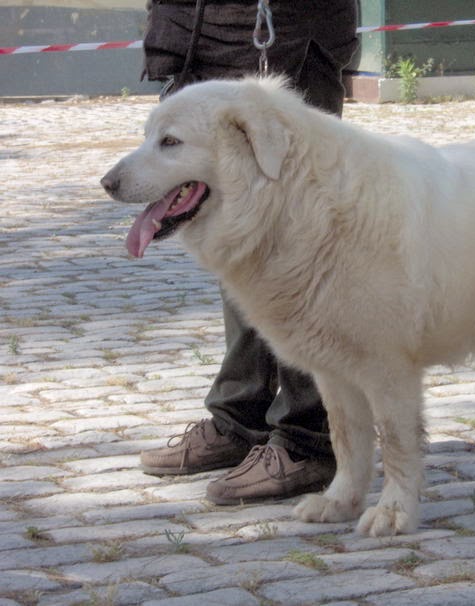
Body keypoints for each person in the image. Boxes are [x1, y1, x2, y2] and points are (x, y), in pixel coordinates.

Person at [138, 0, 359, 504]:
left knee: (296, 242)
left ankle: (309, 439)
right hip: (199, 38)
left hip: (289, 39)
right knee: (232, 237)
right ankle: (240, 418)